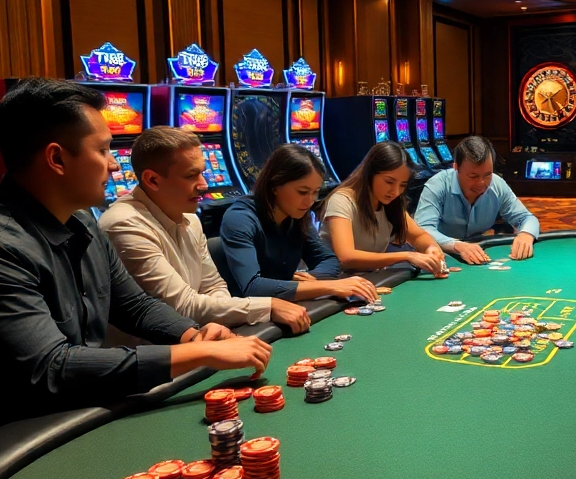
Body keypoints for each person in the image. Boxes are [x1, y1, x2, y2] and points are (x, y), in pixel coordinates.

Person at [0, 79, 271, 479]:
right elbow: (51, 368)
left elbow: (135, 305)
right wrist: (199, 352)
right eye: (103, 149)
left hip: (43, 424)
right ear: (56, 159)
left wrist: (190, 331)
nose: (113, 163)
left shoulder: (80, 220)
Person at [100, 127, 311, 336]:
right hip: (152, 359)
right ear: (152, 180)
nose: (204, 184)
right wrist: (269, 306)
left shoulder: (191, 219)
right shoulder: (124, 224)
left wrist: (215, 323)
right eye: (192, 176)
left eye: (202, 172)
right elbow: (181, 305)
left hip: (195, 339)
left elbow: (213, 286)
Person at [220, 144, 379, 302]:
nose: (310, 201)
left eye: (315, 192)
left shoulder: (296, 216)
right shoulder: (240, 218)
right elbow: (253, 288)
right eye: (302, 192)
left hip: (288, 307)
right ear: (275, 185)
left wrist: (308, 280)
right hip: (247, 319)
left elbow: (329, 261)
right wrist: (330, 286)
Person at [319, 141, 450, 275]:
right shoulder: (342, 200)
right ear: (370, 173)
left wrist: (431, 247)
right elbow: (346, 257)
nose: (395, 191)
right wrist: (407, 256)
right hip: (333, 281)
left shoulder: (391, 203)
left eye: (402, 185)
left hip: (367, 279)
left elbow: (418, 236)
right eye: (389, 182)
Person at [414, 136, 540, 265]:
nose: (481, 183)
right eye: (473, 176)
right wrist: (456, 245)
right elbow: (422, 229)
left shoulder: (497, 184)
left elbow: (526, 218)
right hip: (440, 255)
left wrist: (526, 234)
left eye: (487, 175)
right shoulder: (437, 185)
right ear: (456, 168)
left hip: (477, 251)